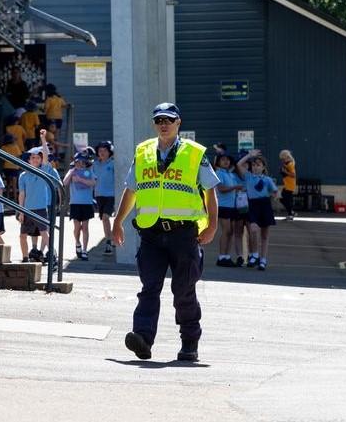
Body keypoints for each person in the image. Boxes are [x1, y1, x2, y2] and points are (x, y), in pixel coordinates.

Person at [112, 102, 218, 362]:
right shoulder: (144, 151)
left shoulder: (194, 154)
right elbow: (132, 189)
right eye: (159, 120)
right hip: (151, 234)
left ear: (178, 123)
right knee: (149, 287)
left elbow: (210, 191)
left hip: (184, 234)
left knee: (184, 291)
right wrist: (118, 221)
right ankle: (143, 338)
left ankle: (189, 342)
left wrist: (212, 225)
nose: (163, 124)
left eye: (168, 120)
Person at [236, 150, 278, 271]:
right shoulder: (248, 176)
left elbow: (274, 191)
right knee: (253, 230)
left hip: (264, 205)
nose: (255, 167)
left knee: (265, 235)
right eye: (253, 165)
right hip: (253, 205)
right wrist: (249, 155)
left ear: (263, 167)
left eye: (258, 165)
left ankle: (263, 259)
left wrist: (275, 194)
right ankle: (254, 254)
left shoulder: (267, 179)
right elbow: (238, 165)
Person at [18, 130, 54, 262]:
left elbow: (46, 155)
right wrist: (21, 210)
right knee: (22, 235)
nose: (35, 159)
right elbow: (22, 194)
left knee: (44, 233)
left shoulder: (43, 171)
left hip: (40, 208)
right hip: (27, 209)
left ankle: (52, 254)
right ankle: (25, 257)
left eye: (37, 158)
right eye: (32, 157)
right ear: (28, 159)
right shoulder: (23, 175)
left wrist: (43, 139)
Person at [64, 152, 97, 260]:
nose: (80, 163)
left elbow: (93, 183)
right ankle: (77, 243)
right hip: (75, 203)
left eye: (82, 161)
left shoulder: (89, 171)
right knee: (77, 227)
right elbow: (64, 182)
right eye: (78, 161)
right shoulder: (72, 171)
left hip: (87, 203)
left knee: (85, 227)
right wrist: (72, 172)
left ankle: (84, 250)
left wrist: (80, 179)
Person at [214, 152, 243, 267]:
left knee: (230, 232)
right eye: (223, 160)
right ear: (219, 162)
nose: (226, 162)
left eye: (227, 160)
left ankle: (226, 256)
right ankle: (221, 257)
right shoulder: (219, 173)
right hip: (223, 206)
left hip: (231, 206)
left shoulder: (230, 174)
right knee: (226, 231)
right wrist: (235, 187)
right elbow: (221, 188)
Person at [93, 141, 116, 255]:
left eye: (104, 151)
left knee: (106, 217)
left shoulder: (113, 164)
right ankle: (110, 238)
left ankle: (109, 241)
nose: (102, 153)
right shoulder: (94, 164)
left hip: (111, 195)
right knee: (104, 219)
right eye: (100, 151)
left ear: (109, 152)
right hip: (99, 195)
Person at [1, 134, 22, 201]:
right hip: (15, 167)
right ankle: (15, 199)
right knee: (14, 184)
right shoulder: (16, 146)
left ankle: (7, 197)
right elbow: (18, 156)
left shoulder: (3, 147)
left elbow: (2, 157)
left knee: (8, 183)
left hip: (6, 167)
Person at [279, 149, 297, 220]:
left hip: (290, 185)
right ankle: (291, 212)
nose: (282, 160)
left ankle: (290, 214)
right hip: (287, 184)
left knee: (287, 200)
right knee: (282, 199)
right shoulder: (287, 164)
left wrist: (284, 171)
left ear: (286, 157)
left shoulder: (290, 164)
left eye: (283, 159)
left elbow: (293, 175)